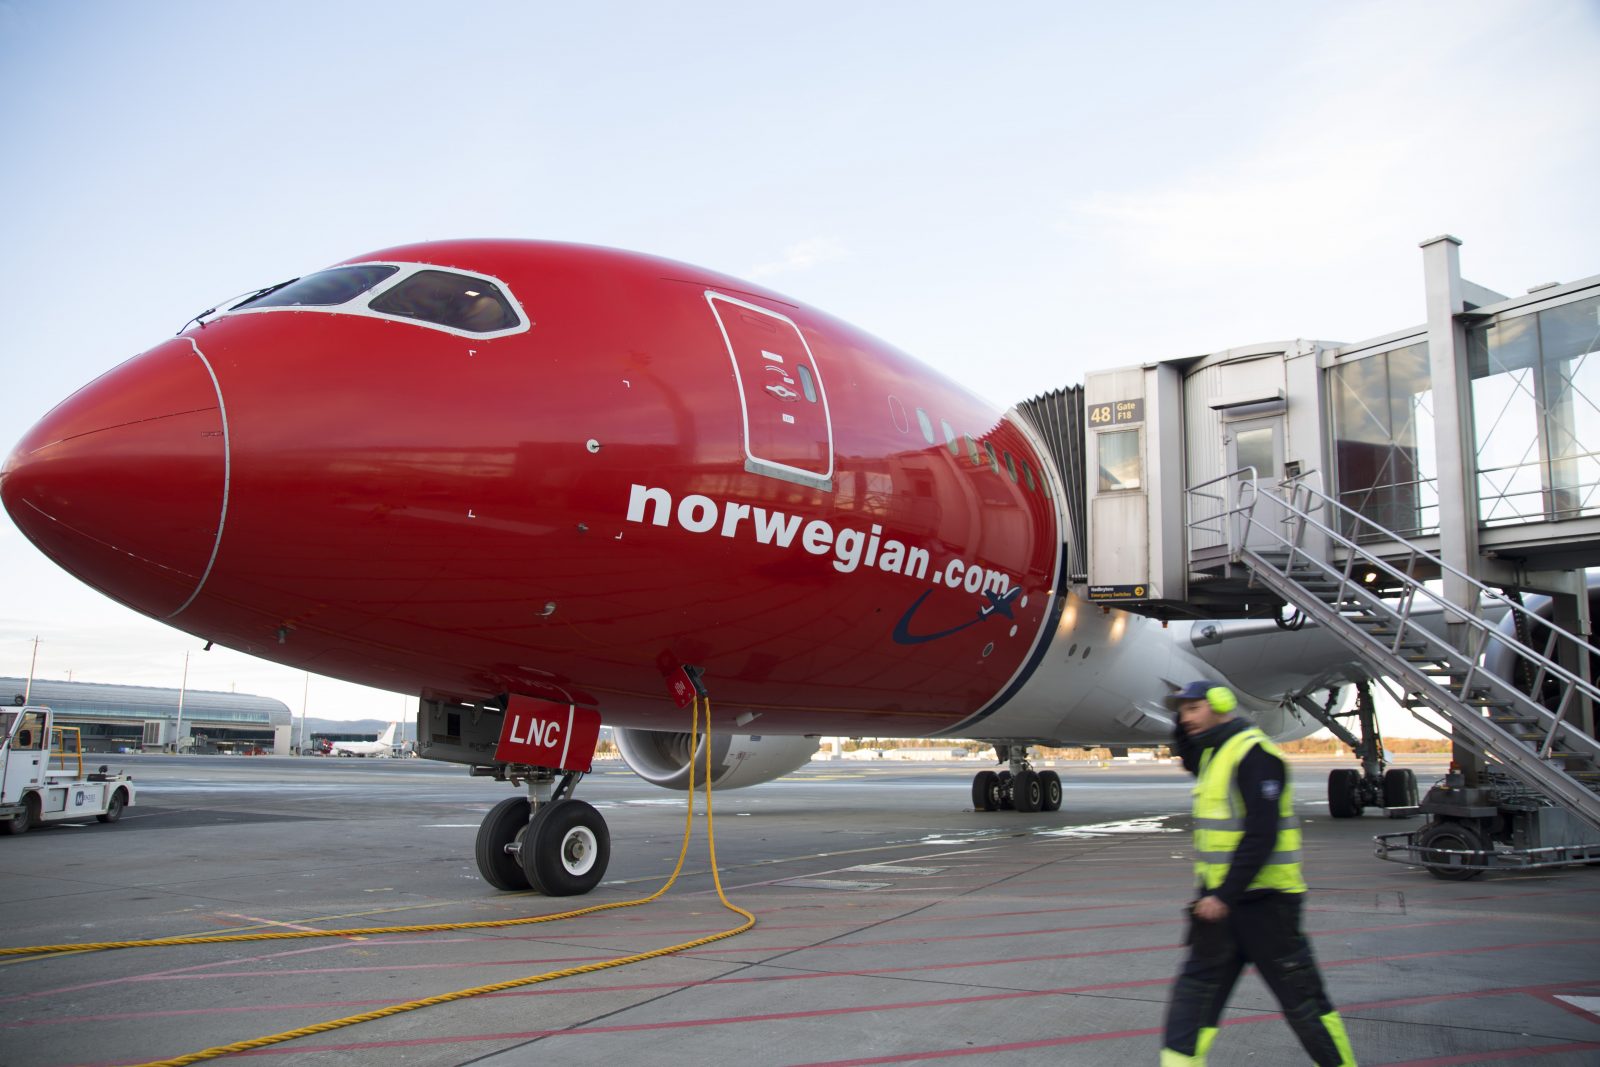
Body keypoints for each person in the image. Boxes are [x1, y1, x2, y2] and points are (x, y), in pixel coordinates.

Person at [1161, 680, 1356, 1066]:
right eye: (1182, 712)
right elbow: (1187, 755)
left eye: (1194, 709)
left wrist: (1224, 895)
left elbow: (1261, 834)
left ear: (1220, 704)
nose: (1187, 719)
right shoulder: (1215, 755)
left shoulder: (1255, 754)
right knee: (1192, 1005)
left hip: (1268, 907)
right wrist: (1180, 717)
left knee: (1305, 1006)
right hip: (1220, 910)